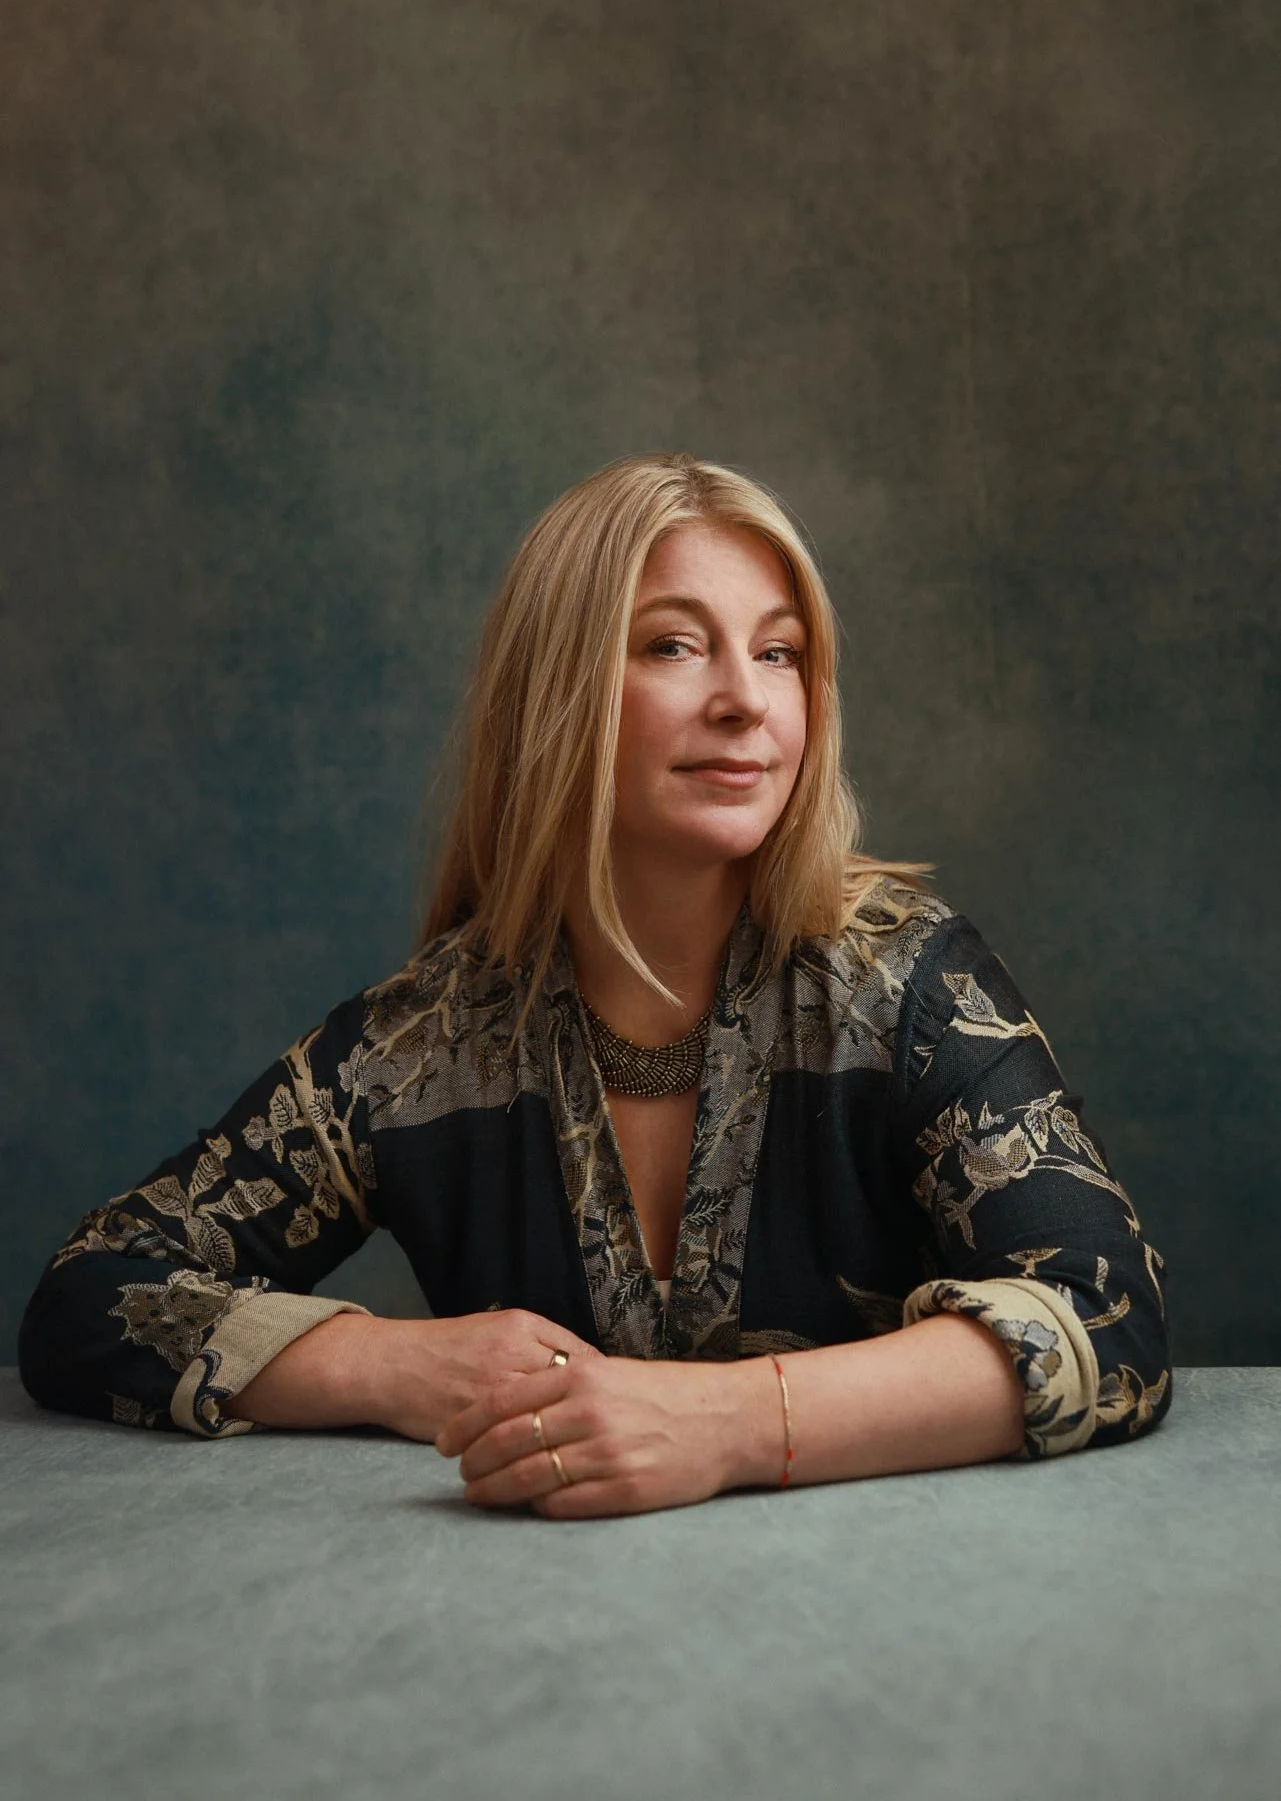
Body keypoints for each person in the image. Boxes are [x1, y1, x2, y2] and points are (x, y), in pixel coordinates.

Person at [18, 453, 1172, 1518]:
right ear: (555, 692)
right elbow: (89, 1297)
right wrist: (400, 1364)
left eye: (778, 652)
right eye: (674, 645)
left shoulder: (909, 981)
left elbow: (1108, 1313)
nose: (746, 699)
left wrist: (728, 1426)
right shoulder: (422, 1045)